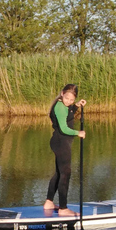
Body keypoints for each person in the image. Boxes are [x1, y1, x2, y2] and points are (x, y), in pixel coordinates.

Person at [43, 84, 86, 216]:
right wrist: (78, 133)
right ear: (62, 94)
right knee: (65, 174)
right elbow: (63, 128)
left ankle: (49, 202)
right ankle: (63, 208)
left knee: (59, 173)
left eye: (72, 100)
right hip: (61, 142)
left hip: (60, 142)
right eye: (67, 98)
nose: (69, 102)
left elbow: (67, 112)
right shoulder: (60, 107)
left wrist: (76, 106)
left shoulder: (62, 105)